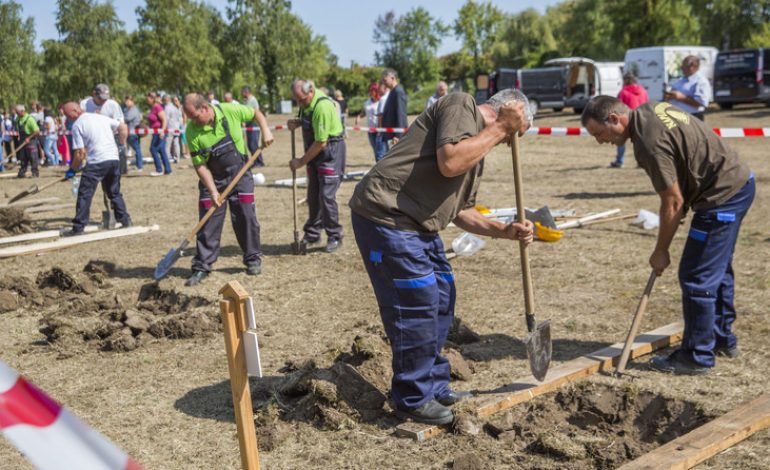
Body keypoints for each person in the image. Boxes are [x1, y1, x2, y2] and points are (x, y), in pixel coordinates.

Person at [348, 89, 534, 425]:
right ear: (510, 111)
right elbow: (449, 162)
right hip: (386, 216)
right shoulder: (460, 104)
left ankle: (432, 385)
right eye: (515, 134)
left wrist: (503, 230)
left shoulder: (478, 149)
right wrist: (501, 128)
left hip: (420, 226)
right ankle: (411, 397)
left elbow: (462, 212)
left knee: (443, 294)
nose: (509, 142)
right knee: (418, 299)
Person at [582, 96, 754, 375]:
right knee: (716, 270)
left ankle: (697, 357)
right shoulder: (651, 109)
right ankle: (720, 339)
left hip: (722, 196)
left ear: (615, 119)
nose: (601, 141)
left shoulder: (648, 145)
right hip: (738, 183)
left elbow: (672, 202)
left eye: (600, 134)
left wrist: (661, 250)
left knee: (697, 275)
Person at [182, 93, 274, 286]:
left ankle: (252, 258)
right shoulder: (191, 131)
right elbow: (200, 166)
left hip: (241, 175)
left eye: (196, 117)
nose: (194, 122)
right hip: (213, 180)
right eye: (191, 119)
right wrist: (214, 191)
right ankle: (202, 266)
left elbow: (256, 113)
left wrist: (265, 130)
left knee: (246, 216)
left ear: (205, 108)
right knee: (208, 222)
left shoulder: (229, 110)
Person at [287, 79, 347, 254]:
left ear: (311, 92)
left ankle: (335, 236)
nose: (300, 103)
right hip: (315, 152)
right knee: (313, 194)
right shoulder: (306, 104)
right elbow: (307, 118)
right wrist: (297, 122)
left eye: (302, 100)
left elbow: (321, 141)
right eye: (296, 100)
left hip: (330, 152)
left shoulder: (322, 107)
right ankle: (313, 233)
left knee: (326, 196)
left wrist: (301, 161)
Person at [61, 102, 131, 234]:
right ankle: (125, 220)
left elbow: (80, 153)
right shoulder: (101, 117)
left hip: (97, 162)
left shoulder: (77, 125)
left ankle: (78, 227)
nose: (66, 118)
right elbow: (123, 127)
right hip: (113, 159)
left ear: (73, 112)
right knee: (114, 192)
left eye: (66, 115)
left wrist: (72, 170)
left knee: (85, 194)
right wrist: (121, 145)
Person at [81, 84, 127, 174]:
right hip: (93, 137)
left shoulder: (113, 105)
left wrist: (121, 144)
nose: (103, 101)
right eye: (101, 98)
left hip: (111, 136)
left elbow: (120, 124)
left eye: (105, 98)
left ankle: (120, 171)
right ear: (94, 94)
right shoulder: (84, 104)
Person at [611, 72, 649, 168]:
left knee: (620, 140)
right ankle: (641, 162)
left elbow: (617, 107)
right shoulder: (643, 91)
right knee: (640, 142)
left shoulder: (623, 92)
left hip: (628, 119)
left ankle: (620, 161)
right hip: (642, 119)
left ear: (624, 81)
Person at [664, 55, 712, 121]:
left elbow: (701, 103)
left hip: (693, 117)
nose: (681, 67)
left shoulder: (701, 81)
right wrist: (669, 96)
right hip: (677, 116)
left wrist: (680, 97)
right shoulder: (680, 80)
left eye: (684, 65)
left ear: (692, 66)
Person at [355, 82, 386, 162]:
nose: (371, 92)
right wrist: (358, 118)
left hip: (380, 130)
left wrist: (380, 129)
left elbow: (382, 116)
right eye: (371, 90)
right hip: (371, 131)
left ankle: (382, 167)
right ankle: (379, 166)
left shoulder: (381, 102)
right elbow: (364, 113)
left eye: (373, 90)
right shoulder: (367, 102)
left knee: (381, 152)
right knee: (376, 150)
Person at [380, 68, 408, 149]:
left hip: (395, 137)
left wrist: (398, 135)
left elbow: (401, 115)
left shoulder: (398, 92)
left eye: (385, 80)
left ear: (392, 78)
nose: (383, 83)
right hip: (390, 134)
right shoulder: (393, 91)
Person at [146, 91, 172, 176]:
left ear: (152, 99)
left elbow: (164, 119)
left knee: (153, 149)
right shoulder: (153, 107)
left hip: (159, 132)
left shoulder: (157, 107)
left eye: (148, 98)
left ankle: (159, 169)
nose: (147, 99)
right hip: (155, 132)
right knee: (161, 150)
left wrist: (162, 131)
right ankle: (168, 170)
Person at [240, 86, 267, 167]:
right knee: (250, 145)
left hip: (254, 124)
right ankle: (255, 161)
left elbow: (254, 112)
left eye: (242, 92)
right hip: (248, 124)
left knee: (253, 144)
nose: (241, 94)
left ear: (246, 92)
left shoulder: (252, 100)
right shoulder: (245, 101)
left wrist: (245, 121)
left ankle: (260, 162)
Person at [15, 105, 40, 178]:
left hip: (31, 141)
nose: (16, 114)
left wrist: (29, 138)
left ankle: (35, 172)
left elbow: (37, 131)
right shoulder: (18, 119)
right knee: (23, 157)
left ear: (22, 111)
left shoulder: (30, 119)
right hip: (22, 141)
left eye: (17, 112)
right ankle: (22, 172)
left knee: (33, 157)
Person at [122, 95, 144, 171]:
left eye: (128, 101)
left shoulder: (133, 110)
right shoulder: (128, 109)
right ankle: (139, 165)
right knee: (137, 149)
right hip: (130, 132)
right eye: (125, 101)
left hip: (133, 133)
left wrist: (121, 117)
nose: (126, 103)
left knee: (137, 149)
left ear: (132, 101)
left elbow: (127, 118)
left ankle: (140, 165)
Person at [163, 94, 183, 163]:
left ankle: (167, 159)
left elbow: (166, 118)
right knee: (176, 144)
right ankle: (177, 158)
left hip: (170, 128)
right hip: (177, 128)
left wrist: (164, 128)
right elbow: (179, 118)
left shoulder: (167, 108)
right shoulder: (175, 107)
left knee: (167, 144)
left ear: (166, 100)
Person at [374, 82, 390, 161]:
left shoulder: (383, 99)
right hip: (390, 131)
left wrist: (379, 131)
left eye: (380, 87)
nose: (378, 89)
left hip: (383, 131)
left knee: (380, 156)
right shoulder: (392, 97)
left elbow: (380, 116)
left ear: (384, 87)